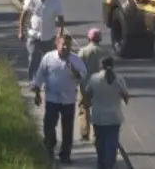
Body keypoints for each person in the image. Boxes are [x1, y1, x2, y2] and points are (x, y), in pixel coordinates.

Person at [32, 34, 86, 164]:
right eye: (63, 44)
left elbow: (83, 75)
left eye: (68, 44)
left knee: (67, 129)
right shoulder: (49, 57)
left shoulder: (76, 60)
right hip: (52, 98)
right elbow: (40, 74)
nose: (66, 47)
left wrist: (75, 72)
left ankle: (65, 155)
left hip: (68, 100)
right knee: (49, 124)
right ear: (57, 44)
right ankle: (50, 146)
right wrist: (37, 92)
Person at [83, 56, 130, 169]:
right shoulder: (119, 79)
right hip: (114, 116)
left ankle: (101, 163)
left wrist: (86, 105)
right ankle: (109, 163)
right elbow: (126, 97)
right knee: (112, 142)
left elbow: (87, 94)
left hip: (98, 116)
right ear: (113, 66)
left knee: (100, 142)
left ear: (100, 66)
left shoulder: (94, 78)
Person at [18, 0, 65, 81]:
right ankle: (33, 81)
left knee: (49, 61)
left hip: (49, 36)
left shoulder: (55, 1)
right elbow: (23, 15)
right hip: (34, 35)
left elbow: (61, 20)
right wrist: (21, 31)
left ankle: (47, 81)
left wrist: (59, 35)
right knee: (33, 58)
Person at [77, 28, 108, 142]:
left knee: (84, 107)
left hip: (85, 84)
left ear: (88, 38)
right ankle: (97, 133)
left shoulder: (83, 51)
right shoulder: (104, 52)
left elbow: (78, 67)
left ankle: (85, 133)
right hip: (100, 85)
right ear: (99, 39)